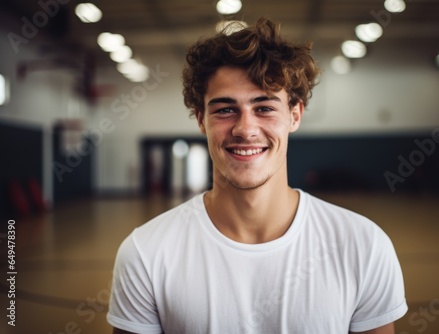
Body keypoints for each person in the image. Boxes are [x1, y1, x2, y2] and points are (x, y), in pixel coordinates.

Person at [107, 17, 408, 334]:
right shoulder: (145, 253)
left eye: (264, 107)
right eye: (225, 109)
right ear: (200, 119)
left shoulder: (363, 244)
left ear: (295, 115)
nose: (245, 129)